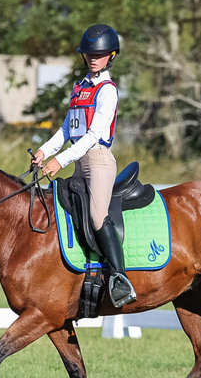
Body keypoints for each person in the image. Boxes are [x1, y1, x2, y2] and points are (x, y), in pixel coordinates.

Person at [31, 23, 137, 308]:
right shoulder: (79, 88)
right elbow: (68, 129)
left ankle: (120, 278)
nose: (93, 58)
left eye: (99, 54)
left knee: (97, 216)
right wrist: (44, 150)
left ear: (110, 56)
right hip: (79, 161)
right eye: (89, 54)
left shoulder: (107, 91)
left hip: (98, 160)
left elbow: (92, 136)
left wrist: (60, 160)